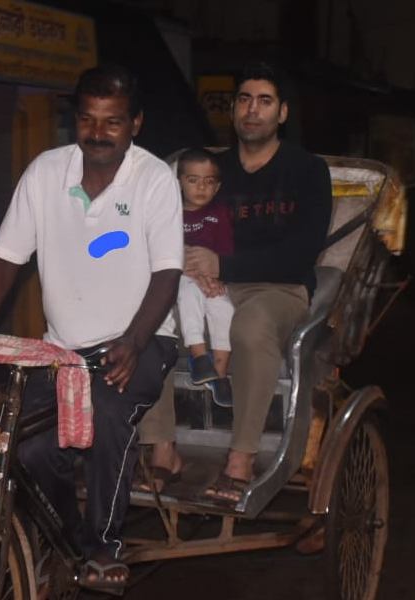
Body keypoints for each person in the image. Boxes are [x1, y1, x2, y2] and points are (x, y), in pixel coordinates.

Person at [0, 64, 183, 593]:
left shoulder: (155, 179)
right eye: (89, 120)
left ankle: (103, 548)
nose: (98, 132)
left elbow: (167, 274)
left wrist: (134, 342)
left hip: (143, 339)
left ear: (134, 123)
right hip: (63, 351)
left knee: (110, 416)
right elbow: (6, 257)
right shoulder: (47, 173)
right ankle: (66, 538)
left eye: (112, 122)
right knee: (28, 451)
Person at [138, 61, 333, 502]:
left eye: (264, 101)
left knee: (250, 326)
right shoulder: (210, 171)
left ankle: (240, 459)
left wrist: (222, 266)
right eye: (244, 100)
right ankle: (163, 448)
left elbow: (302, 253)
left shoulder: (306, 171)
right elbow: (171, 224)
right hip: (202, 283)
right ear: (233, 110)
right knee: (149, 320)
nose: (252, 110)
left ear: (281, 113)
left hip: (278, 290)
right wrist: (189, 263)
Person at [176, 148, 235, 408]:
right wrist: (187, 269)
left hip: (211, 279)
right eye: (193, 180)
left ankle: (220, 375)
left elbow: (225, 252)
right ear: (179, 181)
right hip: (182, 277)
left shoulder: (219, 214)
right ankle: (199, 356)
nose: (201, 187)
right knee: (188, 293)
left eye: (208, 182)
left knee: (223, 305)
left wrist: (215, 278)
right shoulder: (171, 212)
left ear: (218, 186)